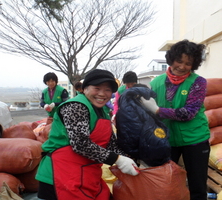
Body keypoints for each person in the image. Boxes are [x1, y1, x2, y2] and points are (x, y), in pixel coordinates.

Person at [36, 69, 139, 200]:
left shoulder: (102, 111)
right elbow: (80, 144)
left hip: (87, 172)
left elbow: (111, 144)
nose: (102, 94)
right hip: (60, 174)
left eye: (107, 90)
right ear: (84, 89)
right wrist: (117, 160)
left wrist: (133, 158)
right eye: (97, 88)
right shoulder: (75, 106)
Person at [140, 39, 210, 200]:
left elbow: (189, 113)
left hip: (195, 138)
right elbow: (147, 113)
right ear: (171, 59)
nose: (182, 66)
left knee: (197, 184)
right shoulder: (156, 83)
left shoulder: (198, 82)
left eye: (188, 63)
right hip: (167, 139)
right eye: (179, 61)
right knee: (165, 181)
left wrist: (158, 110)